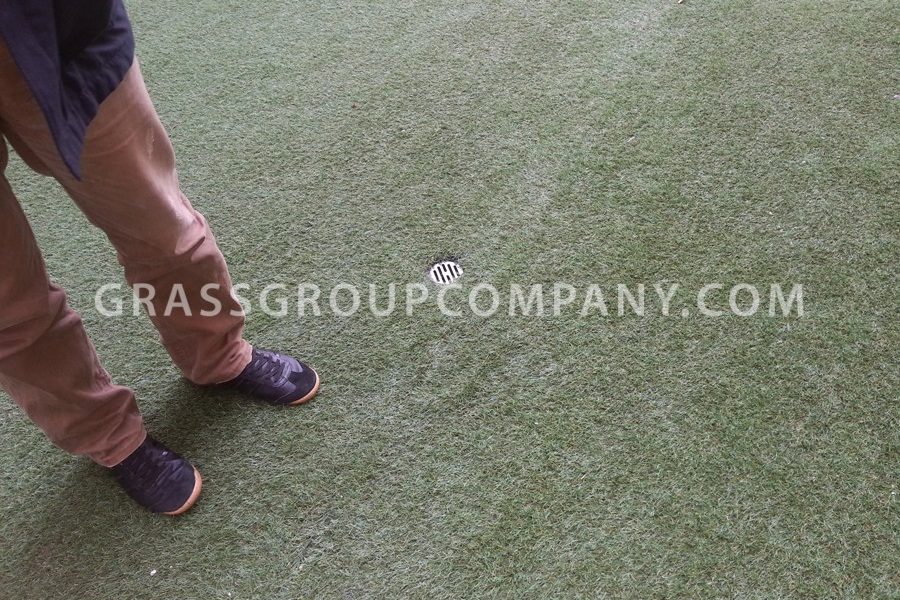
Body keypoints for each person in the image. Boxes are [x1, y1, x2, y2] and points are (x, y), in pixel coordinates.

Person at [0, 1, 319, 515]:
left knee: (162, 228)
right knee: (8, 310)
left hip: (58, 27)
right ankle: (109, 437)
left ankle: (217, 354)